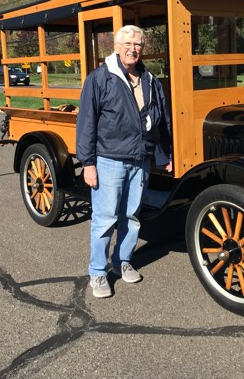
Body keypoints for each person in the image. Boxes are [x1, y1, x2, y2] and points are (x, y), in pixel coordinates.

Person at [76, 25, 172, 298]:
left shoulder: (150, 80)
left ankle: (121, 261)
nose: (133, 48)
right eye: (127, 43)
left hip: (139, 159)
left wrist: (164, 154)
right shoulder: (100, 78)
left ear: (143, 48)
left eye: (138, 44)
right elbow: (86, 123)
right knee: (105, 219)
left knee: (131, 217)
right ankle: (97, 272)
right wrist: (88, 163)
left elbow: (161, 120)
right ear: (116, 46)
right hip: (108, 160)